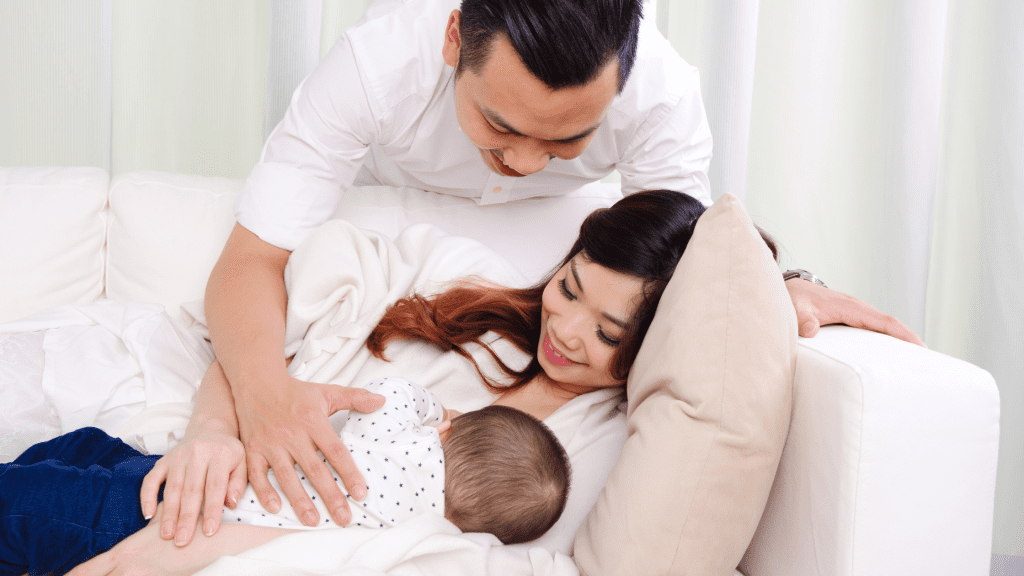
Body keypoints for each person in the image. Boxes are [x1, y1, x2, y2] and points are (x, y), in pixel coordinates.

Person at [202, 0, 924, 544]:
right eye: (501, 125)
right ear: (454, 41)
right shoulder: (374, 66)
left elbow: (682, 253)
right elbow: (253, 258)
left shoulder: (660, 95)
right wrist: (249, 408)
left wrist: (776, 286)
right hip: (398, 208)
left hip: (565, 240)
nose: (522, 162)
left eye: (565, 138)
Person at [69, 190, 727, 575]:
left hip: (216, 532)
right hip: (177, 450)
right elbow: (250, 334)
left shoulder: (589, 458)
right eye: (570, 287)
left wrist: (214, 549)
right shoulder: (462, 288)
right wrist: (213, 429)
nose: (568, 331)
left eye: (609, 334)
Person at [0, 378, 571, 576]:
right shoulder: (416, 532)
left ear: (450, 432)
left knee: (30, 494)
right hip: (167, 498)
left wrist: (435, 410)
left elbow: (391, 392)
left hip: (161, 510)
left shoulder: (408, 442)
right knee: (56, 478)